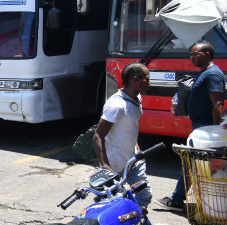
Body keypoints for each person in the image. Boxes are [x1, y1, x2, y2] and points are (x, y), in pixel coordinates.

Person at [157, 42, 225, 210]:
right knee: (194, 164)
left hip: (205, 128)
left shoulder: (213, 74)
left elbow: (217, 103)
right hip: (201, 125)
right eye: (191, 54)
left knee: (191, 163)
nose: (191, 57)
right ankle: (188, 199)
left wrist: (214, 129)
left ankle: (177, 199)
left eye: (195, 54)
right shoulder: (206, 73)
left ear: (208, 54)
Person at [93, 63, 153, 208]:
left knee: (144, 195)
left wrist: (136, 147)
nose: (149, 83)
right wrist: (106, 166)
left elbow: (130, 126)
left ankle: (136, 222)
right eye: (146, 79)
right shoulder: (117, 105)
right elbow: (98, 136)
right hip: (115, 164)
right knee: (109, 203)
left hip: (133, 161)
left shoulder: (137, 98)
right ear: (135, 79)